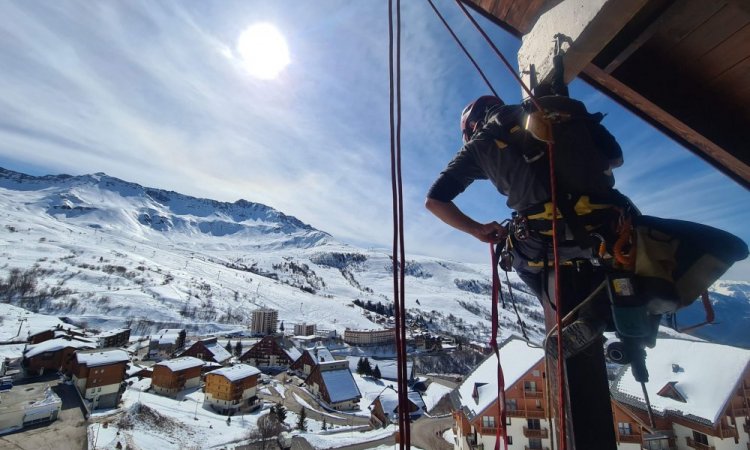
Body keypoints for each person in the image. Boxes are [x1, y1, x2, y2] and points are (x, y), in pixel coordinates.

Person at [425, 94, 627, 358]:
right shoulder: (556, 111)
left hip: (546, 235)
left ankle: (572, 317)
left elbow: (434, 201)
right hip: (609, 225)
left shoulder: (481, 142)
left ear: (472, 125)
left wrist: (477, 229)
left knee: (518, 262)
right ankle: (604, 312)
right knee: (619, 262)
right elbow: (615, 158)